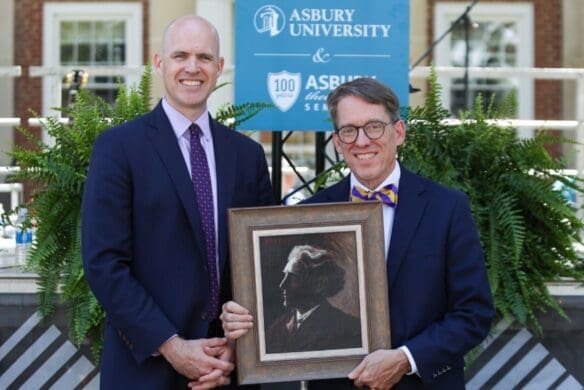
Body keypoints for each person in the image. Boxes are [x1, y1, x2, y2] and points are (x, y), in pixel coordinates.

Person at [221, 77, 494, 389]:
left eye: (374, 127)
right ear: (337, 142)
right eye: (349, 131)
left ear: (399, 132)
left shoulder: (447, 208)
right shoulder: (309, 214)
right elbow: (274, 305)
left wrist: (406, 358)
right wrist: (242, 318)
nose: (361, 141)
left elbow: (474, 313)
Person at [81, 15, 274, 389]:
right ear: (159, 63)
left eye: (204, 57)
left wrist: (238, 345)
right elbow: (104, 263)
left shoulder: (246, 155)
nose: (192, 67)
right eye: (180, 55)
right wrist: (171, 346)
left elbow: (261, 261)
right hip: (146, 369)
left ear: (219, 68)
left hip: (227, 369)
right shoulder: (118, 148)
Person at [265, 244, 361, 354]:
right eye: (285, 276)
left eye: (293, 278)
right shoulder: (276, 329)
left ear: (318, 284)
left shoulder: (348, 328)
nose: (282, 285)